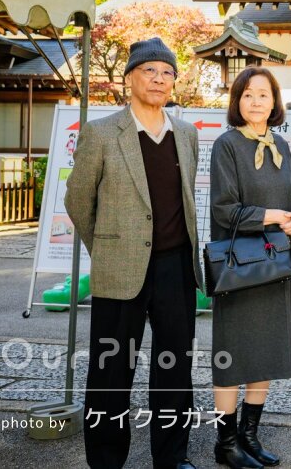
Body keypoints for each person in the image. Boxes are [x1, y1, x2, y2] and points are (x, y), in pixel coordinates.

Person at [65, 37, 201, 469]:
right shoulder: (101, 133)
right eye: (150, 71)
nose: (159, 80)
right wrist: (107, 247)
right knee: (110, 371)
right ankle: (106, 459)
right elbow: (78, 202)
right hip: (120, 267)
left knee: (175, 368)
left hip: (176, 267)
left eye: (167, 73)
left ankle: (172, 457)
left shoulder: (187, 133)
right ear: (130, 79)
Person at [208, 67, 291, 468]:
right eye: (247, 95)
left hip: (274, 263)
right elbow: (224, 209)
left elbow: (290, 200)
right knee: (232, 354)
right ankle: (225, 442)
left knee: (265, 352)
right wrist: (274, 215)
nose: (255, 102)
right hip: (240, 268)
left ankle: (249, 436)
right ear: (237, 101)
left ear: (274, 102)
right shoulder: (226, 145)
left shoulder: (281, 144)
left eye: (263, 95)